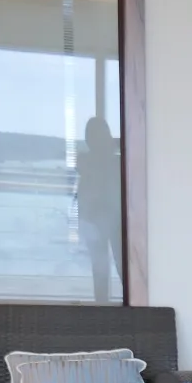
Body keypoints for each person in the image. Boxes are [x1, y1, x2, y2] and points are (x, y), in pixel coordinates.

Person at [77, 116, 123, 303]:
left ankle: (104, 304)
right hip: (101, 219)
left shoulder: (94, 162)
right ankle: (104, 305)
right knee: (106, 267)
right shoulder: (104, 162)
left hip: (111, 219)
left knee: (110, 267)